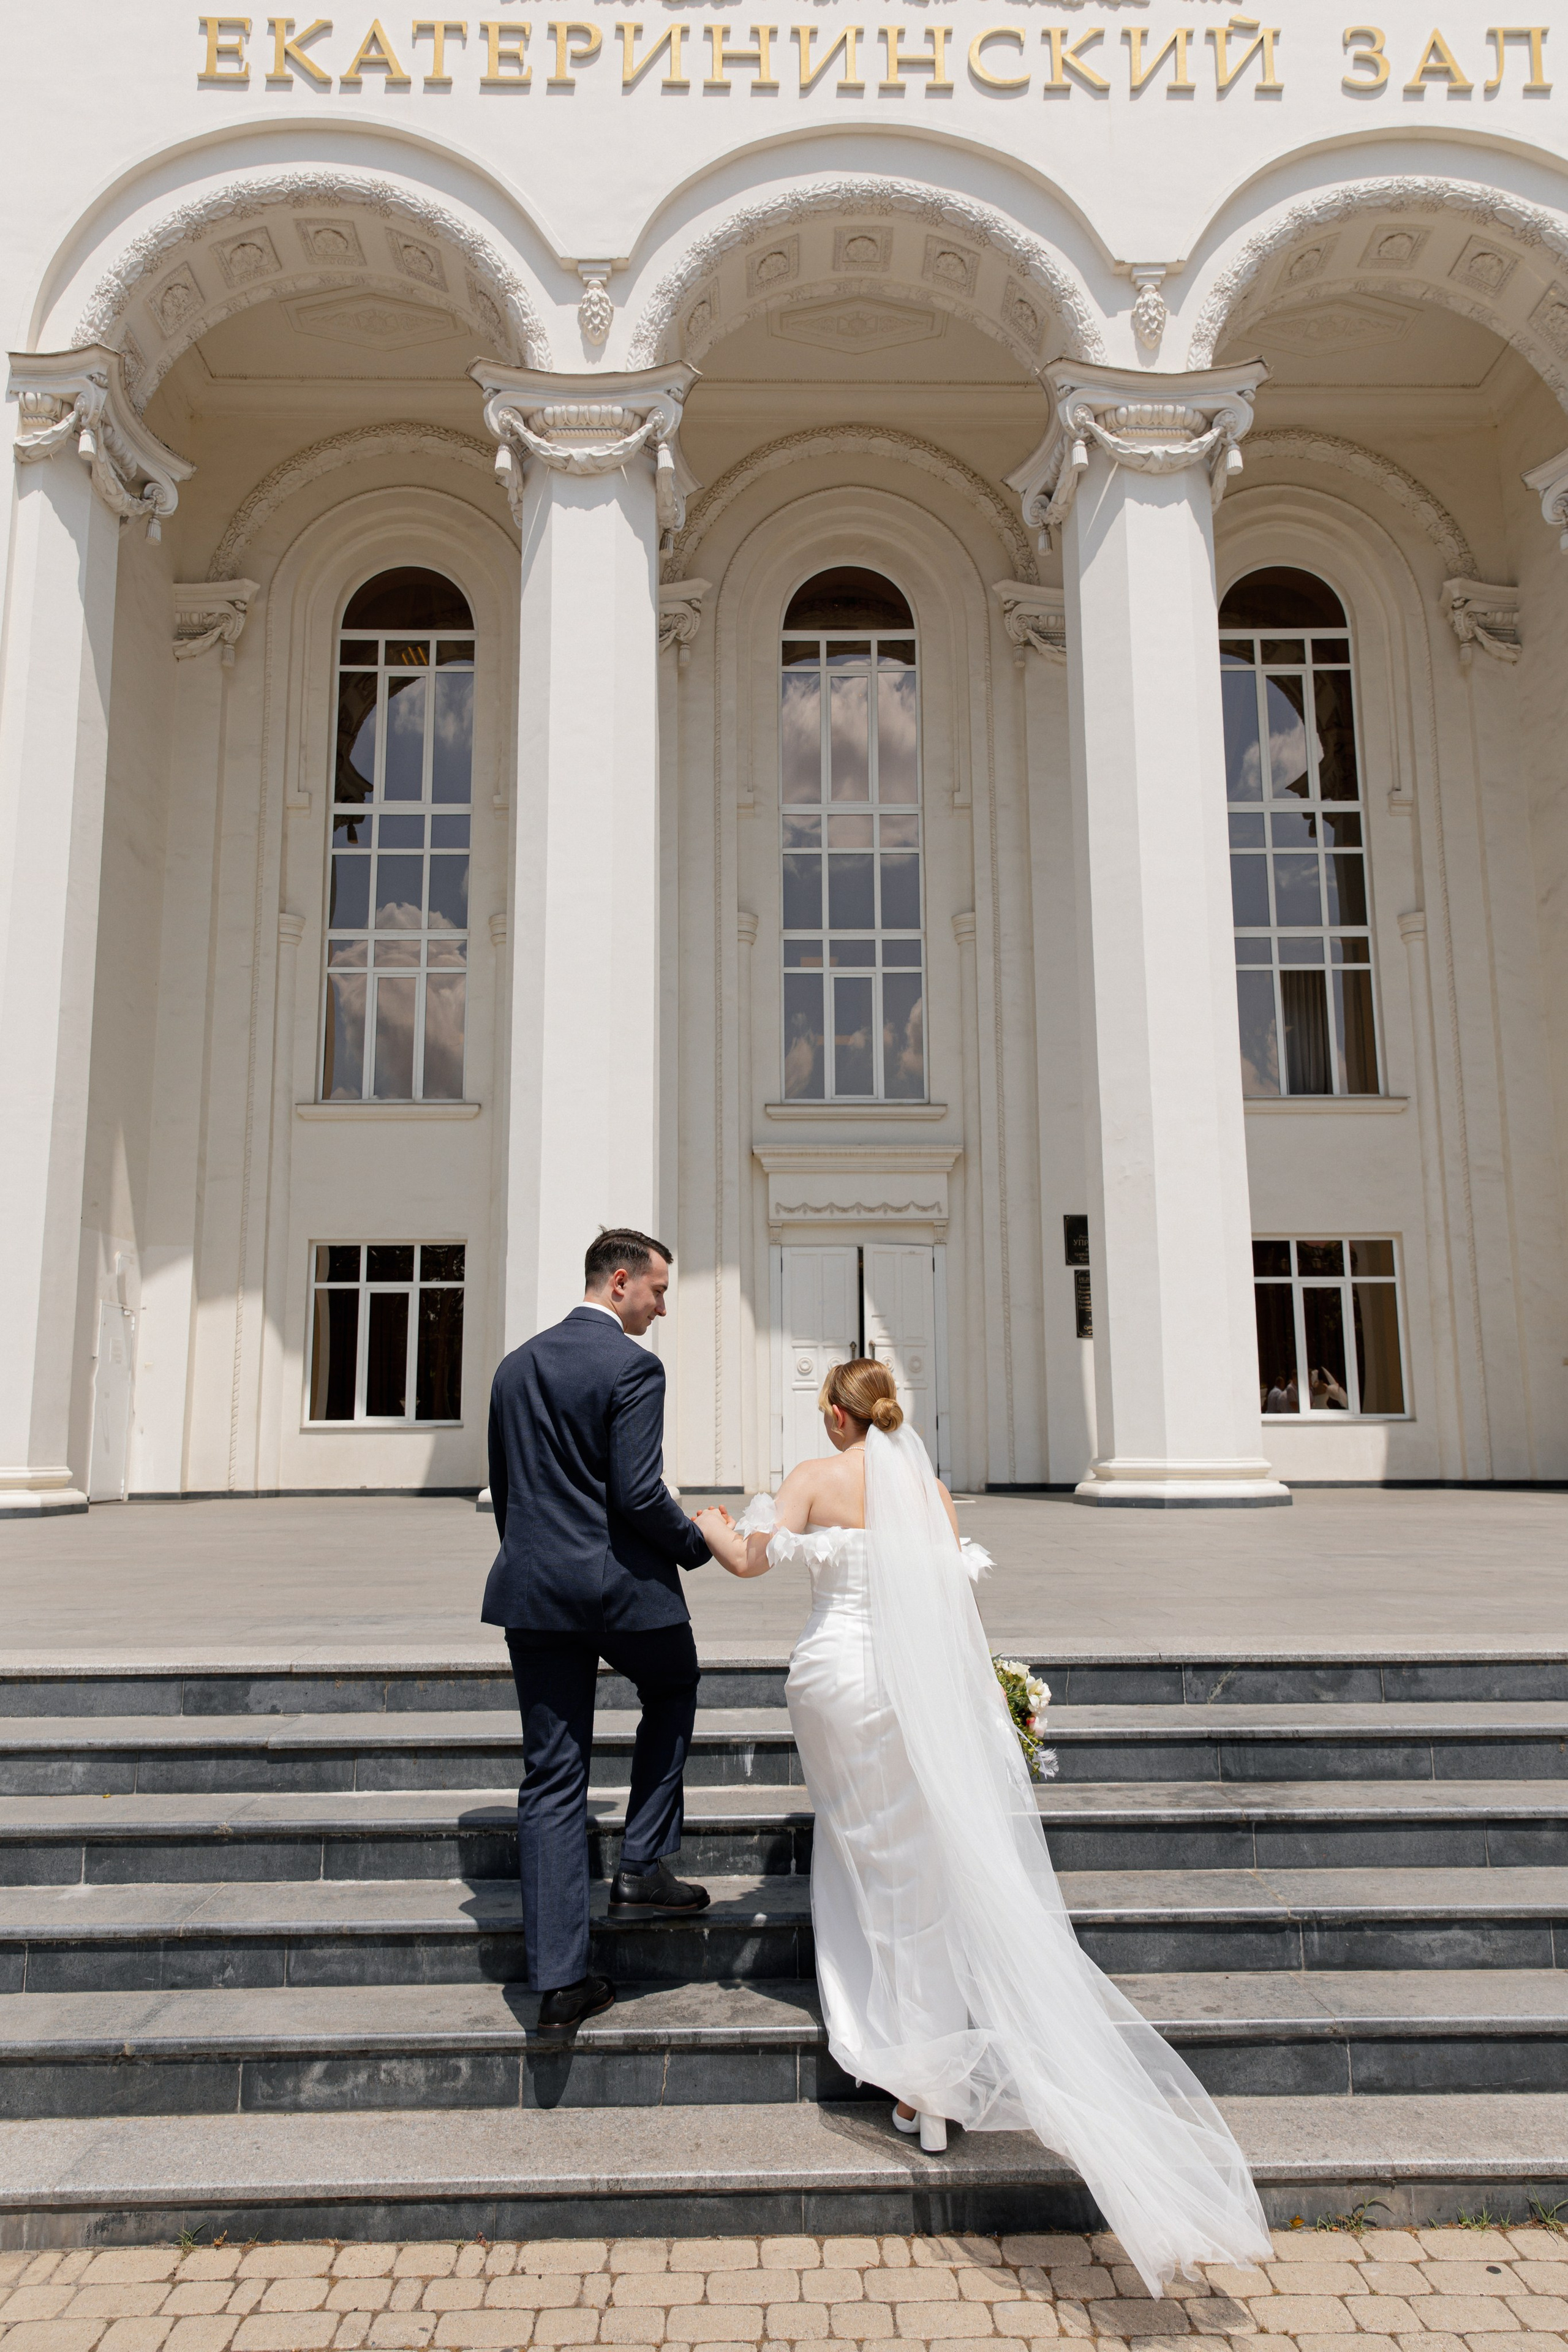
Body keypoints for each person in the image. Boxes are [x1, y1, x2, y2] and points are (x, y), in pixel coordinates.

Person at [699, 1358, 1271, 2298]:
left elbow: (749, 1560)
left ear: (837, 1415)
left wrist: (710, 1524)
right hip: (912, 1696)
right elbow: (955, 1613)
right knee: (918, 1867)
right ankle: (930, 2087)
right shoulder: (928, 1493)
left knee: (861, 1852)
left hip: (835, 1686)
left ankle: (905, 2065)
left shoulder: (812, 1479)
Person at [482, 1228, 735, 2032]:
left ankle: (561, 1985)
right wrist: (697, 1542)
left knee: (552, 1775)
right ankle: (642, 1864)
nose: (661, 1309)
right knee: (675, 1683)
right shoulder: (633, 1367)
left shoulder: (514, 1366)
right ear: (619, 1281)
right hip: (620, 1591)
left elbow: (507, 1488)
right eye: (658, 1291)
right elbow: (637, 1492)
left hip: (535, 1590)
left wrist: (537, 1566)